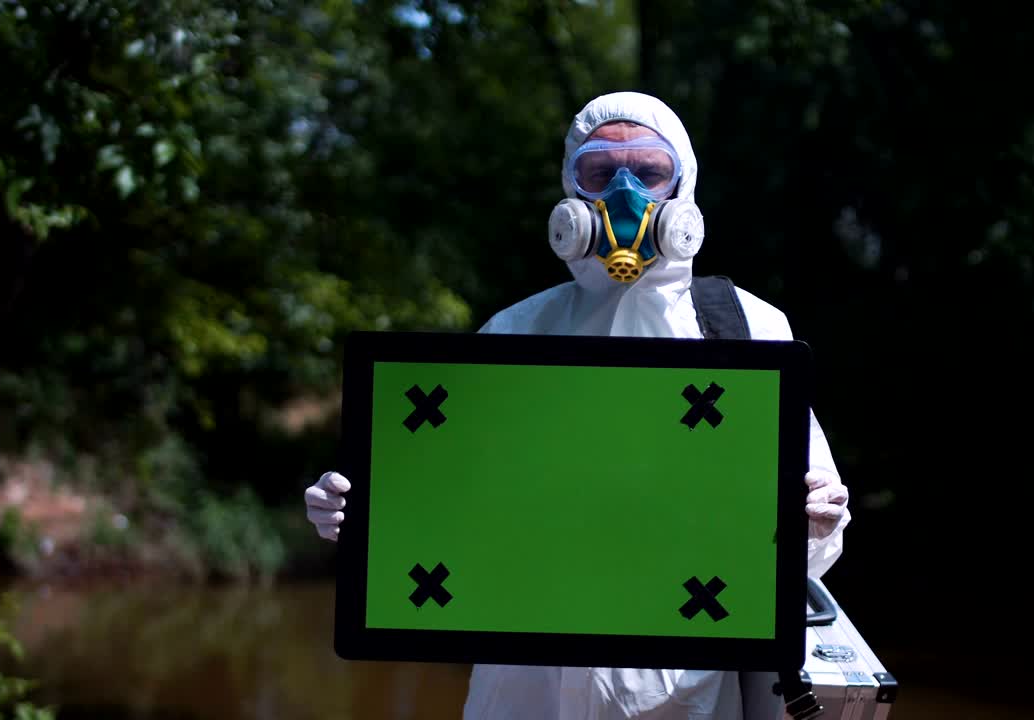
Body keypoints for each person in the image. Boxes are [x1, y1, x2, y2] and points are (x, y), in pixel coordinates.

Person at [304, 91, 851, 720]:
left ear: (684, 187)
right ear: (572, 187)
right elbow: (446, 502)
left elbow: (803, 556)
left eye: (648, 173)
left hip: (681, 692)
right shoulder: (516, 332)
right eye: (600, 174)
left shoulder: (747, 329)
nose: (625, 194)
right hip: (523, 688)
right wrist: (360, 515)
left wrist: (816, 521)